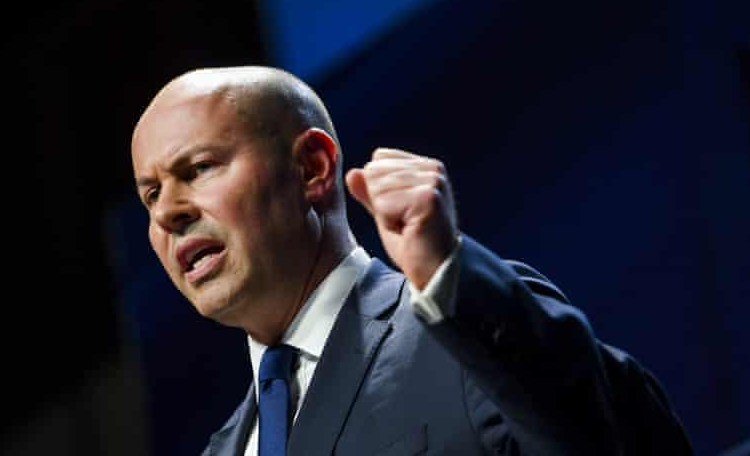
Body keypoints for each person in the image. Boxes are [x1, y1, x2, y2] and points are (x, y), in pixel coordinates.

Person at [130, 66, 692, 455]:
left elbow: (627, 442)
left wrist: (450, 277)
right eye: (151, 194)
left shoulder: (465, 330)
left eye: (198, 169)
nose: (168, 213)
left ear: (311, 168)